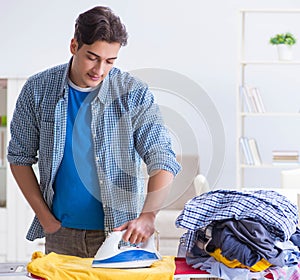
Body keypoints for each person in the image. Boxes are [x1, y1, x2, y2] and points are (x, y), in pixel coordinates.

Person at [7, 6, 181, 258]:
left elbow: (162, 158)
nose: (99, 69)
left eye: (110, 61)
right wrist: (47, 221)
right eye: (92, 57)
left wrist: (148, 216)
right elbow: (19, 159)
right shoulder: (37, 89)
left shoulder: (133, 92)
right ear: (74, 45)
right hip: (62, 235)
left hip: (123, 235)